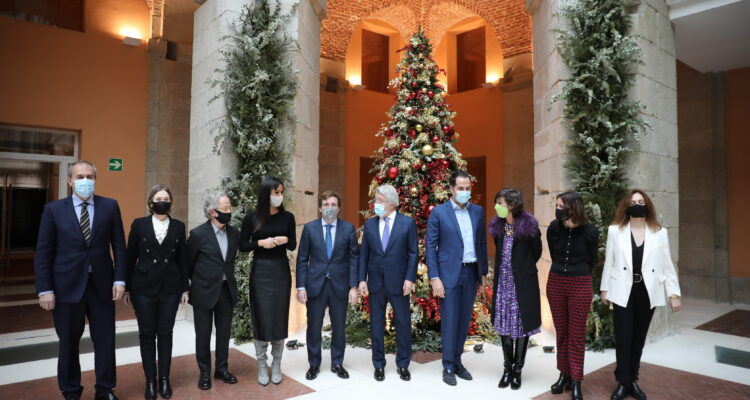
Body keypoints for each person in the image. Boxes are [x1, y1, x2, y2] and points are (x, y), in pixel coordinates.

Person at [35, 160, 126, 400]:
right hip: (65, 287)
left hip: (102, 287)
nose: (85, 181)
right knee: (68, 343)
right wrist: (44, 289)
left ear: (95, 179)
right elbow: (44, 252)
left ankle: (105, 389)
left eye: (89, 176)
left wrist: (119, 280)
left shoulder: (110, 206)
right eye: (80, 177)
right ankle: (71, 391)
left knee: (105, 341)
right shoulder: (53, 210)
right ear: (70, 181)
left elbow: (119, 246)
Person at [601, 189, 682, 400]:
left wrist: (674, 294)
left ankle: (632, 380)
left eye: (641, 201)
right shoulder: (615, 231)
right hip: (622, 290)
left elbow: (666, 265)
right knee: (623, 338)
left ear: (647, 205)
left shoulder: (659, 232)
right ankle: (622, 382)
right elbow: (609, 261)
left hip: (647, 291)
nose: (637, 205)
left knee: (638, 339)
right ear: (626, 207)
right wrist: (604, 288)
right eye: (633, 202)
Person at [124, 184, 188, 400]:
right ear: (151, 202)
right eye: (158, 199)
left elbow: (183, 259)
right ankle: (150, 380)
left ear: (171, 203)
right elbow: (130, 256)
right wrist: (127, 287)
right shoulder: (139, 224)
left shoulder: (179, 226)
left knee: (165, 333)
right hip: (143, 288)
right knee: (147, 334)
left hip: (170, 288)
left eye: (166, 199)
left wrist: (185, 288)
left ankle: (164, 379)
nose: (163, 202)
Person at [425, 170, 488, 386]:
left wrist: (483, 273)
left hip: (471, 273)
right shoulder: (439, 213)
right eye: (460, 188)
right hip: (448, 274)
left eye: (467, 188)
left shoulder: (478, 211)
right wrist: (434, 277)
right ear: (451, 189)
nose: (464, 191)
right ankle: (448, 365)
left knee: (463, 320)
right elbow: (430, 247)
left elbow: (482, 243)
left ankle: (458, 362)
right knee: (450, 320)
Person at [239, 176, 297, 385]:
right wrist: (260, 243)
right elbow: (242, 245)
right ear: (266, 194)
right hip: (260, 270)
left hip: (280, 270)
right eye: (276, 192)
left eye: (281, 192)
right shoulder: (252, 218)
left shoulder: (287, 217)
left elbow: (293, 244)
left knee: (280, 316)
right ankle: (262, 364)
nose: (279, 196)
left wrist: (284, 239)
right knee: (261, 316)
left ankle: (277, 363)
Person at [296, 191, 359, 381]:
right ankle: (314, 364)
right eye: (326, 204)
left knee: (339, 327)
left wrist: (353, 286)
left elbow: (354, 258)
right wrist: (300, 287)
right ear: (319, 208)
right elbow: (302, 259)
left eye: (333, 204)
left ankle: (337, 363)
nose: (329, 208)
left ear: (338, 208)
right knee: (313, 327)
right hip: (315, 285)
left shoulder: (348, 229)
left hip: (340, 285)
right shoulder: (310, 228)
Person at [358, 184, 418, 382]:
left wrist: (409, 278)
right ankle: (378, 365)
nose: (376, 204)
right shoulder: (369, 225)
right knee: (376, 324)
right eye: (376, 200)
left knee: (403, 323)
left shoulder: (407, 223)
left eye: (380, 201)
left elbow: (413, 253)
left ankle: (403, 364)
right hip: (376, 282)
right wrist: (361, 279)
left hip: (399, 283)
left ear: (392, 204)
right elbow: (364, 255)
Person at [546, 191, 600, 400]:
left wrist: (577, 273)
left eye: (561, 206)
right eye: (557, 206)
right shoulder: (554, 228)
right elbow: (554, 255)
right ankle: (564, 374)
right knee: (561, 333)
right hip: (556, 283)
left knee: (576, 335)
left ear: (573, 208)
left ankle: (576, 379)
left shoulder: (590, 232)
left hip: (580, 285)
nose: (558, 210)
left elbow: (592, 260)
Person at [488, 188, 542, 391]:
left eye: (500, 202)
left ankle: (518, 370)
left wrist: (522, 268)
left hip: (522, 284)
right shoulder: (499, 227)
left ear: (512, 204)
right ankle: (507, 369)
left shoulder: (529, 226)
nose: (497, 206)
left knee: (521, 327)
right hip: (503, 284)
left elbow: (536, 252)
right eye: (497, 202)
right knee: (504, 326)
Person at [187, 191, 239, 390]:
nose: (229, 211)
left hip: (226, 290)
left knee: (224, 333)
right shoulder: (198, 234)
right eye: (225, 208)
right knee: (203, 334)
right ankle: (204, 373)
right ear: (212, 212)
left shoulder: (233, 233)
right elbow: (188, 264)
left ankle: (222, 369)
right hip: (203, 292)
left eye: (230, 207)